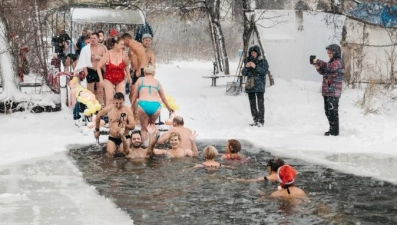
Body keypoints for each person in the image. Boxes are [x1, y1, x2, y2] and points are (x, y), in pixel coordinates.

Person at [131, 65, 173, 144]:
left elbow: (135, 95)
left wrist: (132, 106)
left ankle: (143, 147)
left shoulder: (140, 80)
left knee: (144, 128)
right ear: (153, 73)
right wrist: (168, 108)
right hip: (155, 106)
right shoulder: (157, 82)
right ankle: (151, 147)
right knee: (152, 126)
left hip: (143, 104)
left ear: (145, 72)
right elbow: (163, 98)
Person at [312, 44, 345, 136]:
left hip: (334, 91)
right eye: (328, 53)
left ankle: (334, 132)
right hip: (327, 90)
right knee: (327, 111)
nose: (329, 55)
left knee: (333, 111)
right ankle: (331, 129)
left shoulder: (339, 62)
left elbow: (330, 67)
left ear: (335, 52)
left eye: (330, 53)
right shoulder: (332, 62)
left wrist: (318, 61)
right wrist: (318, 68)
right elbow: (326, 71)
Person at [97, 37, 131, 106]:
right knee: (110, 99)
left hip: (120, 78)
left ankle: (120, 115)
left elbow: (126, 66)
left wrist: (129, 76)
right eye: (121, 44)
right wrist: (101, 80)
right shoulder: (107, 54)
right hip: (109, 78)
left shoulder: (123, 54)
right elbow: (98, 66)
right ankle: (110, 115)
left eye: (124, 45)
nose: (123, 46)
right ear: (115, 44)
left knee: (121, 99)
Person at [242, 45, 269, 127]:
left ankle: (261, 121)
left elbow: (264, 71)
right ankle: (255, 119)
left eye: (254, 53)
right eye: (251, 53)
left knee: (260, 103)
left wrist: (255, 66)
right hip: (250, 85)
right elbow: (244, 73)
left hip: (259, 85)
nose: (252, 54)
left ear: (258, 53)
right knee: (252, 104)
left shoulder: (263, 61)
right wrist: (246, 67)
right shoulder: (248, 61)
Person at [78, 32, 107, 106]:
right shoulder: (86, 49)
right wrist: (86, 72)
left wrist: (99, 57)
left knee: (100, 90)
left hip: (99, 70)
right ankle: (92, 107)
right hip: (90, 70)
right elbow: (83, 61)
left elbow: (106, 60)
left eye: (94, 38)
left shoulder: (102, 48)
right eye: (91, 38)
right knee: (90, 91)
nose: (92, 40)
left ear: (98, 39)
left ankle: (99, 106)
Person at [120, 33, 147, 104]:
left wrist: (140, 69)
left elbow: (143, 57)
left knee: (134, 94)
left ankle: (136, 111)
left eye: (123, 41)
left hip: (140, 71)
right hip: (135, 71)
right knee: (132, 94)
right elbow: (132, 60)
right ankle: (134, 110)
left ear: (126, 39)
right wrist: (132, 70)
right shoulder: (131, 47)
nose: (123, 44)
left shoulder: (135, 45)